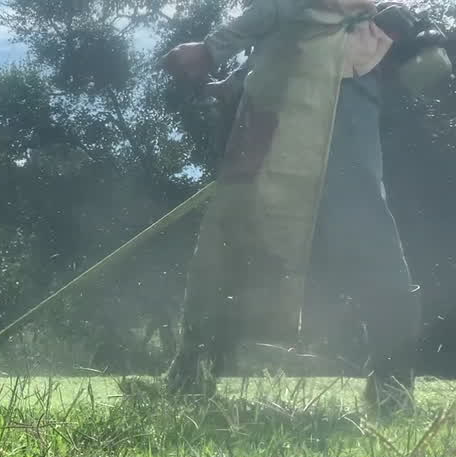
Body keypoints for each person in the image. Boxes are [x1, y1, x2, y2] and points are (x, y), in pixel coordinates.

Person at [160, 0, 449, 415]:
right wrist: (227, 71)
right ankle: (191, 372)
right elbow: (279, 24)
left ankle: (393, 384)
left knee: (368, 240)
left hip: (341, 120)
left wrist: (213, 49)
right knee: (232, 240)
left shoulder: (375, 21)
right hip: (273, 118)